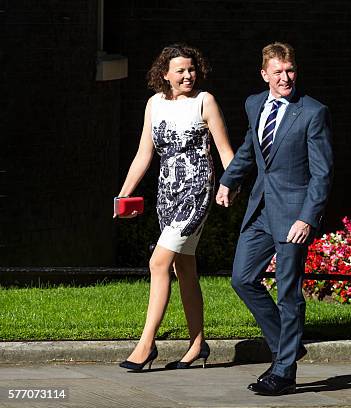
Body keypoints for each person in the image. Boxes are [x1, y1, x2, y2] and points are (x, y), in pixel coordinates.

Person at [216, 42, 333, 395]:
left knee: (288, 294)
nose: (285, 78)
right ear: (265, 74)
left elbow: (322, 173)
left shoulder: (312, 112)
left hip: (294, 216)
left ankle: (284, 371)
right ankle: (289, 345)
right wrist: (228, 180)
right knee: (242, 278)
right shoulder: (254, 104)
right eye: (278, 72)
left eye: (290, 70)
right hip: (261, 210)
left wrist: (307, 218)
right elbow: (251, 148)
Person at [115, 43, 234, 371]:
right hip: (166, 191)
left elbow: (225, 151)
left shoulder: (204, 101)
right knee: (185, 269)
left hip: (196, 189)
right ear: (164, 74)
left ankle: (146, 345)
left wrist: (230, 184)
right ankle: (197, 344)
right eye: (180, 70)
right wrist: (124, 194)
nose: (187, 75)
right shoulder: (154, 104)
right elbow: (144, 153)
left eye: (191, 69)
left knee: (158, 263)